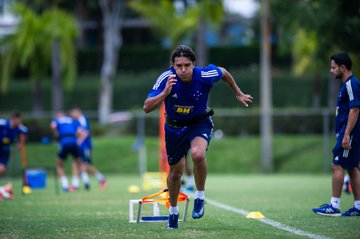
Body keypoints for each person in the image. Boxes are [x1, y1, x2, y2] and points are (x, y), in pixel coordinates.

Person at [143, 45, 253, 229]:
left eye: (187, 65)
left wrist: (238, 93)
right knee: (175, 173)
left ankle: (200, 196)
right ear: (173, 66)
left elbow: (224, 72)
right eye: (179, 66)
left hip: (199, 123)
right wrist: (164, 93)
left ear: (194, 64)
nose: (183, 70)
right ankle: (173, 211)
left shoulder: (204, 75)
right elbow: (146, 107)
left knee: (198, 155)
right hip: (174, 128)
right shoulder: (166, 78)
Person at [312, 52, 360, 217]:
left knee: (337, 165)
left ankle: (334, 205)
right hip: (347, 133)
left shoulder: (350, 85)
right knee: (353, 168)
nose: (331, 70)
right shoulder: (345, 85)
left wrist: (346, 134)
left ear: (343, 67)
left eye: (333, 67)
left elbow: (355, 109)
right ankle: (358, 206)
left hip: (349, 134)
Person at [70, 107, 106, 190]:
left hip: (85, 146)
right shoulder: (75, 121)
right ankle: (79, 184)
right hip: (79, 147)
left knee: (85, 165)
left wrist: (78, 141)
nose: (72, 116)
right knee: (76, 164)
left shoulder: (83, 119)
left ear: (77, 112)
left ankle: (100, 178)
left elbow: (85, 132)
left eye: (73, 114)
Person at [51, 111, 87, 192]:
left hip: (64, 143)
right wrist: (78, 139)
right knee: (78, 164)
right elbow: (80, 131)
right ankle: (76, 185)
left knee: (59, 165)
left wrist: (55, 136)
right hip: (74, 142)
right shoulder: (72, 120)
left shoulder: (57, 120)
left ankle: (65, 185)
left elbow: (53, 127)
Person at [0, 112, 28, 200]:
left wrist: (21, 143)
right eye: (18, 119)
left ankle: (4, 190)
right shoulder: (3, 123)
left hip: (5, 150)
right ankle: (5, 190)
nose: (20, 121)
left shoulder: (19, 128)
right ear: (13, 119)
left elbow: (25, 131)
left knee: (2, 170)